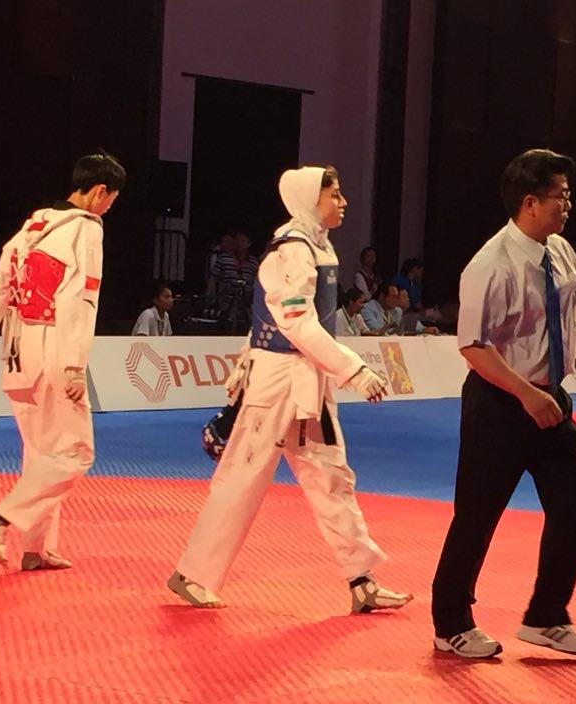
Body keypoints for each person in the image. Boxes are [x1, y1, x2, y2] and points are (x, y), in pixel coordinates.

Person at [167, 164, 410, 614]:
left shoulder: (318, 246)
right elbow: (294, 324)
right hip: (278, 379)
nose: (342, 202)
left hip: (308, 378)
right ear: (307, 199)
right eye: (333, 194)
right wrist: (353, 369)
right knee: (242, 478)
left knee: (332, 478)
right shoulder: (291, 250)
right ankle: (193, 574)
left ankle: (362, 580)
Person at [430, 148, 576, 660]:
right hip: (501, 402)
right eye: (560, 196)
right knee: (477, 515)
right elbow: (473, 347)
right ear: (530, 202)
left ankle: (546, 615)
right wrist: (525, 393)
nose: (567, 205)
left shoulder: (559, 249)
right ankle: (451, 622)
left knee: (575, 504)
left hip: (550, 399)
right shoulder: (490, 265)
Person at [0, 152, 125, 571]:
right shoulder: (86, 228)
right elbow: (80, 299)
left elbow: (1, 285)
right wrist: (74, 366)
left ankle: (35, 549)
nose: (110, 207)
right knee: (76, 452)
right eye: (112, 198)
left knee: (40, 452)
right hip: (54, 347)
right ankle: (2, 517)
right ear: (99, 191)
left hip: (17, 351)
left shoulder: (33, 226)